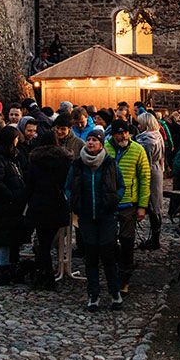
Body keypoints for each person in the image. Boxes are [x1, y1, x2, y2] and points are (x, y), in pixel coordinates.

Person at [66, 130, 124, 311]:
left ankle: (115, 292)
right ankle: (93, 294)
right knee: (90, 255)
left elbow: (121, 185)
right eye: (89, 140)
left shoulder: (110, 163)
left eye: (94, 140)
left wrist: (114, 199)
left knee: (108, 254)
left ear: (101, 144)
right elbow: (68, 186)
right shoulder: (78, 164)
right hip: (86, 216)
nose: (90, 143)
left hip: (106, 215)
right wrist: (73, 201)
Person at [25, 118, 75, 288]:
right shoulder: (65, 160)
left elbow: (30, 183)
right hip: (58, 203)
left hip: (40, 203)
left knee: (43, 242)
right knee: (48, 241)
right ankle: (46, 276)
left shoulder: (35, 160)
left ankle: (44, 276)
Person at [106, 123, 150, 292]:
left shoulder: (138, 150)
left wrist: (142, 206)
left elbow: (145, 178)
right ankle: (116, 270)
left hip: (129, 202)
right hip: (109, 202)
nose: (123, 136)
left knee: (127, 240)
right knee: (108, 240)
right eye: (120, 133)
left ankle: (124, 278)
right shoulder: (105, 148)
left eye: (125, 132)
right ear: (113, 135)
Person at [0, 125, 29, 285]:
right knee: (5, 237)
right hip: (6, 205)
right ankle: (3, 269)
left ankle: (10, 266)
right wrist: (10, 196)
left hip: (13, 205)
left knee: (11, 237)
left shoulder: (12, 156)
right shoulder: (0, 157)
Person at [133, 104, 166, 250]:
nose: (138, 126)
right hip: (157, 169)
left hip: (150, 172)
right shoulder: (157, 136)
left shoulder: (147, 140)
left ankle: (155, 239)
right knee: (155, 205)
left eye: (140, 124)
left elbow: (143, 161)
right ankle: (155, 237)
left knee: (152, 205)